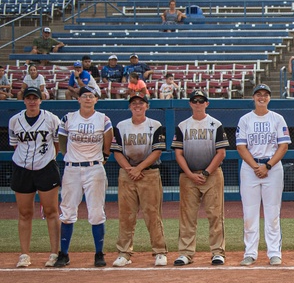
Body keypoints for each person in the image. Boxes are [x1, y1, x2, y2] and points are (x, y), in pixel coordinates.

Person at [55, 86, 113, 267]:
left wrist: (103, 158)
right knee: (67, 212)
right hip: (72, 168)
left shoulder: (103, 119)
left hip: (94, 168)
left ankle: (99, 253)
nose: (88, 99)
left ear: (96, 99)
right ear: (78, 99)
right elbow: (62, 141)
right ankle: (63, 254)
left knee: (96, 212)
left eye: (92, 96)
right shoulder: (69, 118)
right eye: (84, 96)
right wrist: (68, 156)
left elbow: (108, 143)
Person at [236, 84, 291, 266]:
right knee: (249, 213)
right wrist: (255, 166)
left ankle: (274, 252)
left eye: (265, 95)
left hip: (272, 167)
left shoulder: (277, 118)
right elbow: (241, 146)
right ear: (253, 97)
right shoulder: (245, 119)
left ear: (269, 98)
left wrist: (267, 166)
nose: (262, 97)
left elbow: (283, 146)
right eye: (258, 94)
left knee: (272, 212)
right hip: (250, 168)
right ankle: (250, 253)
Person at [110, 93, 167, 267]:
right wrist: (130, 169)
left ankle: (159, 251)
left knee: (152, 214)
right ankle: (124, 253)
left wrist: (139, 168)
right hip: (127, 174)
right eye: (134, 103)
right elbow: (117, 151)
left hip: (149, 174)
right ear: (129, 107)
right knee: (126, 215)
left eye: (141, 103)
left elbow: (157, 151)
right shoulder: (121, 126)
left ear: (147, 106)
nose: (137, 106)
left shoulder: (155, 125)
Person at [172, 90, 229, 266]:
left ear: (207, 103)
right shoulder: (183, 125)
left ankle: (217, 252)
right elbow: (178, 153)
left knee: (215, 214)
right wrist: (190, 174)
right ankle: (186, 253)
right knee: (187, 215)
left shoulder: (215, 124)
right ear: (190, 103)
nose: (198, 103)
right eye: (195, 101)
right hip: (188, 175)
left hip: (211, 175)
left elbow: (221, 153)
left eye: (201, 100)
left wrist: (205, 173)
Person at [9, 87, 61, 268]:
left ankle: (54, 253)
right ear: (24, 100)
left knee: (51, 211)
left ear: (41, 100)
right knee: (24, 213)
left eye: (35, 98)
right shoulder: (15, 120)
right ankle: (24, 254)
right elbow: (15, 145)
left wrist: (46, 159)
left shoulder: (51, 119)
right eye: (29, 98)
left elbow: (57, 144)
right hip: (22, 169)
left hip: (46, 167)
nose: (32, 101)